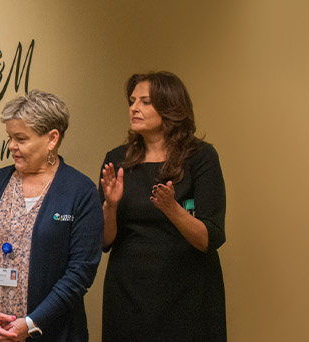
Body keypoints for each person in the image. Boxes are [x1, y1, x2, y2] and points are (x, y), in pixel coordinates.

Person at [0, 90, 103, 342]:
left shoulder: (80, 191)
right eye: (10, 137)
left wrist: (32, 323)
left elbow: (79, 272)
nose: (12, 146)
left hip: (53, 332)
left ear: (52, 138)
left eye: (21, 138)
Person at [99, 71, 227, 341]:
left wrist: (172, 209)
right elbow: (104, 241)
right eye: (132, 101)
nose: (134, 108)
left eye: (145, 102)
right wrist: (110, 206)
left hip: (187, 292)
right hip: (128, 290)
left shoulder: (201, 157)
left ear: (170, 108)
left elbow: (210, 238)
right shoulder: (117, 159)